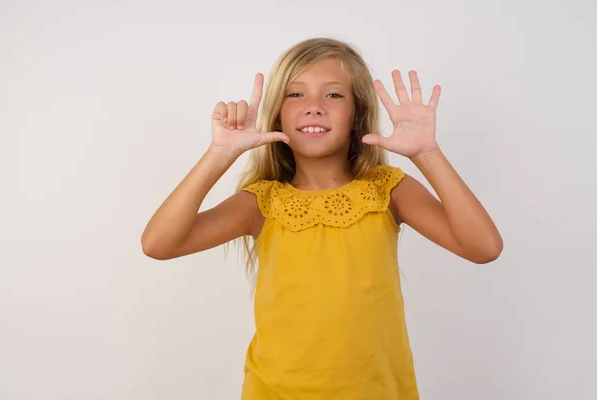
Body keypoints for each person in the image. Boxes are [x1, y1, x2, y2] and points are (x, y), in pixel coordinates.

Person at [141, 37, 503, 400]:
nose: (314, 107)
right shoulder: (261, 202)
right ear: (278, 112)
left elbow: (484, 247)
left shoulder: (388, 191)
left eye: (333, 95)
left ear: (357, 113)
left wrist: (427, 153)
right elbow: (158, 244)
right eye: (295, 94)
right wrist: (219, 154)